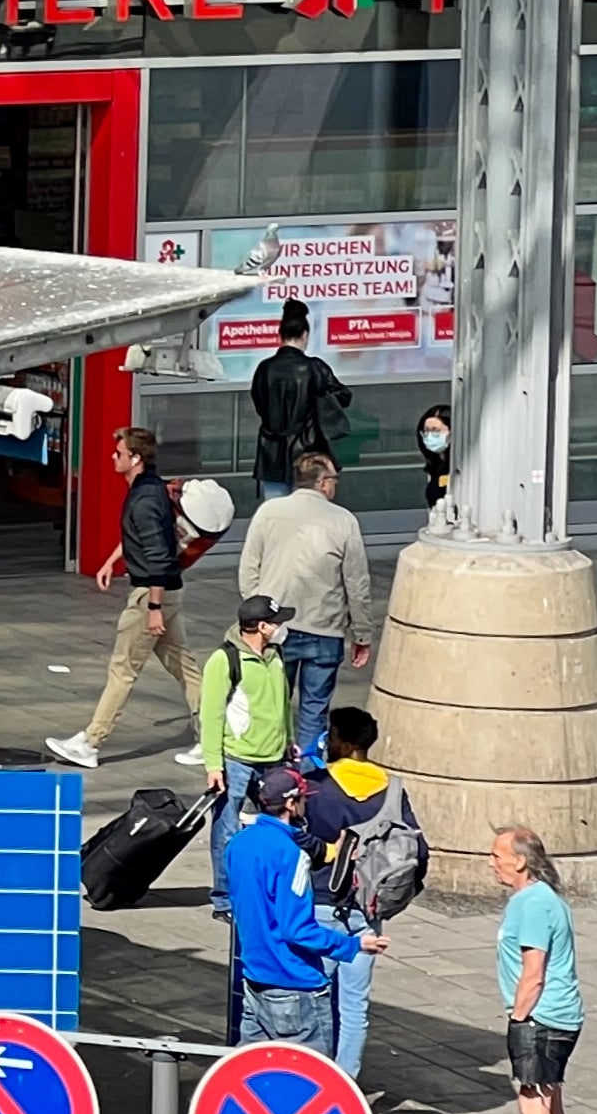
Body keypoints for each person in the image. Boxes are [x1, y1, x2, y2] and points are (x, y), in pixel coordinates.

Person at [48, 434, 228, 770]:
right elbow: (141, 538)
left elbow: (157, 555)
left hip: (151, 594)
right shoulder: (152, 489)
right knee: (185, 667)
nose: (112, 457)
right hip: (170, 591)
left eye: (118, 453)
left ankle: (91, 742)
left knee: (123, 669)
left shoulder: (144, 500)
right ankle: (212, 738)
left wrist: (154, 609)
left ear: (135, 459)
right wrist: (111, 561)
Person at [223, 764, 381, 1057]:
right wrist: (353, 944)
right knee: (311, 1083)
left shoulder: (238, 845)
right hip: (295, 983)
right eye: (304, 798)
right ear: (291, 803)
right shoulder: (292, 854)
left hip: (255, 978)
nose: (307, 803)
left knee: (253, 1075)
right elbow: (297, 930)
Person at [240, 450, 374, 766]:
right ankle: (307, 783)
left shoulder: (268, 513)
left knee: (271, 709)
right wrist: (363, 633)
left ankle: (269, 779)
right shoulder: (343, 521)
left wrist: (257, 615)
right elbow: (357, 583)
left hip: (274, 629)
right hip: (324, 630)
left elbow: (248, 570)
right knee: (314, 713)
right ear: (324, 483)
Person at [302, 707, 415, 1085]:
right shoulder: (393, 789)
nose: (327, 740)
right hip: (368, 909)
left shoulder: (317, 785)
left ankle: (314, 1076)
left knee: (317, 995)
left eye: (331, 735)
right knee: (354, 1004)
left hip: (321, 903)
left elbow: (302, 841)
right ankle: (344, 1082)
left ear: (345, 743)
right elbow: (418, 851)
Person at [493, 824, 584, 1114]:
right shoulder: (549, 899)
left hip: (540, 1018)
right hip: (563, 1017)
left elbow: (534, 973)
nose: (491, 863)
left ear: (520, 861)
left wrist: (517, 1019)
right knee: (553, 1102)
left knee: (534, 1104)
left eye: (497, 856)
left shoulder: (530, 905)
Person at [198, 596, 297, 918]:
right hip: (237, 760)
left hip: (275, 759)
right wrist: (214, 765)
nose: (281, 627)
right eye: (277, 621)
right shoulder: (224, 660)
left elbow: (283, 703)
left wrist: (289, 740)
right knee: (227, 831)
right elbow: (211, 716)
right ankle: (225, 899)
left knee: (281, 825)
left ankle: (269, 891)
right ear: (262, 627)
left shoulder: (275, 655)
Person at [250, 301, 357, 500]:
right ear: (305, 335)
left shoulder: (264, 369)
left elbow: (260, 405)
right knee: (309, 513)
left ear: (280, 336)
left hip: (271, 455)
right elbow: (344, 397)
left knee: (277, 514)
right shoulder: (314, 368)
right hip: (308, 457)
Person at [419, 405, 453, 510]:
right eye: (426, 430)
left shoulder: (458, 465)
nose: (430, 435)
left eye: (436, 430)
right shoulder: (436, 467)